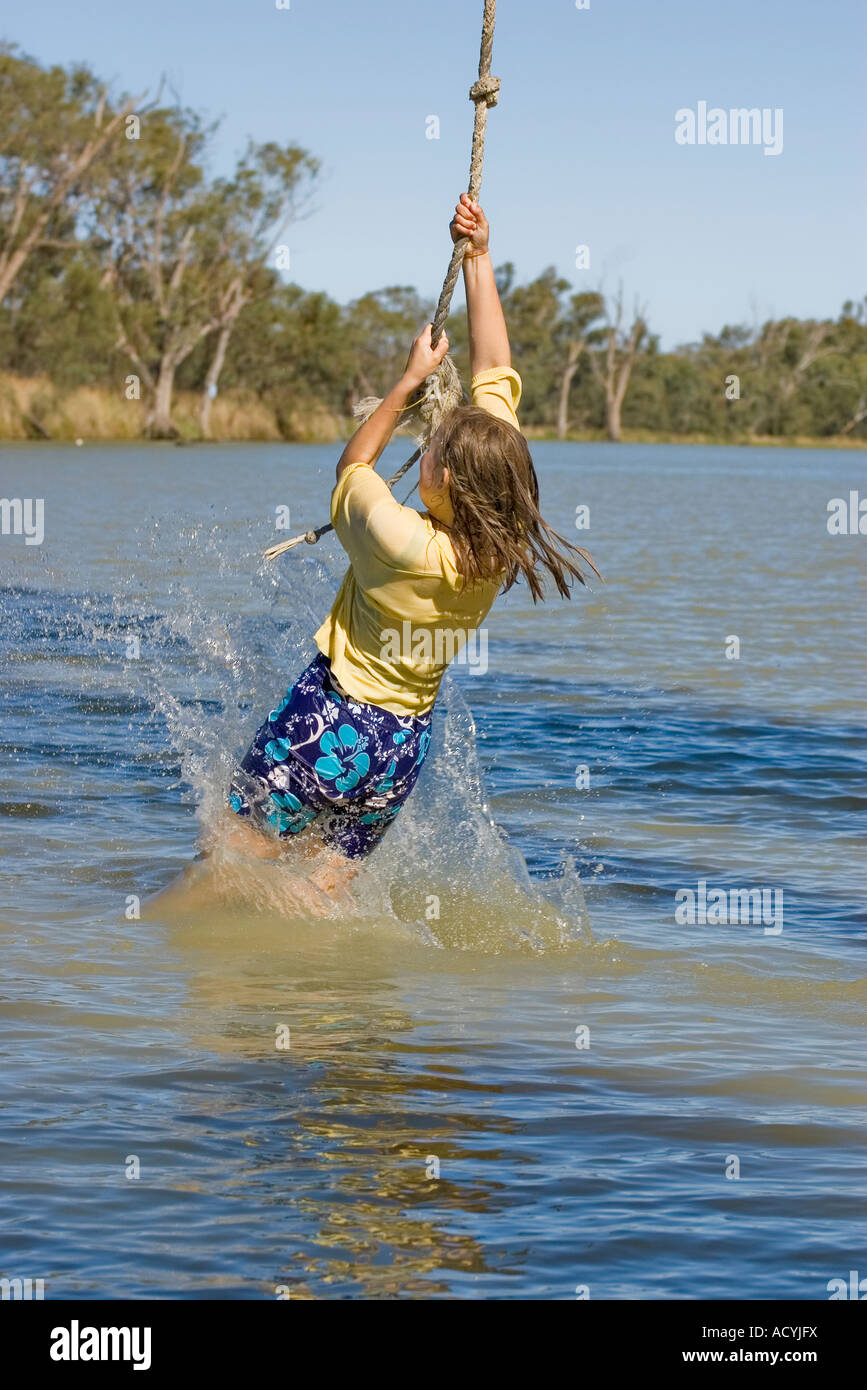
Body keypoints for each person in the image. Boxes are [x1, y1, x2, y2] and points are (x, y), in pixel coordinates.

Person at [223, 194, 598, 898]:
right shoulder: (502, 535)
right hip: (398, 752)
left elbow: (352, 470)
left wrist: (406, 382)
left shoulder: (399, 540)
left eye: (431, 450)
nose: (425, 448)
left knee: (225, 861)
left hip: (328, 719)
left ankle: (153, 940)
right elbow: (495, 366)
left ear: (447, 479)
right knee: (316, 898)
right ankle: (322, 1003)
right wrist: (480, 256)